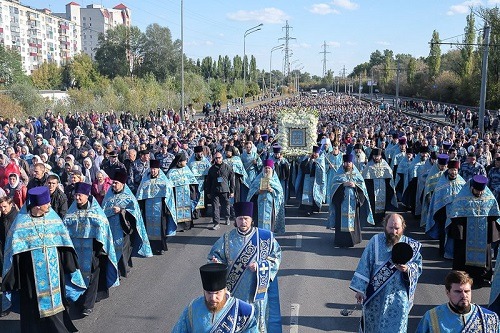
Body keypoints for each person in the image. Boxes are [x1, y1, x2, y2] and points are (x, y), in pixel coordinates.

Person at [1, 186, 86, 333]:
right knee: (33, 308)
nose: (50, 205)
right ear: (38, 206)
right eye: (47, 203)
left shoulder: (53, 219)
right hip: (30, 277)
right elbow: (13, 253)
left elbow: (64, 244)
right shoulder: (20, 224)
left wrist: (70, 266)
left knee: (56, 305)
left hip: (54, 272)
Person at [208, 202, 282, 333]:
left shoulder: (265, 237)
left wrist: (260, 266)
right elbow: (215, 256)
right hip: (234, 290)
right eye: (240, 219)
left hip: (256, 291)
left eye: (246, 219)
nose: (243, 222)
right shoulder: (227, 238)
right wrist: (216, 262)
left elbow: (275, 257)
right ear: (235, 220)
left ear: (252, 220)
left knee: (256, 322)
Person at [350, 213, 423, 332]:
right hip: (375, 297)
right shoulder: (375, 241)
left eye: (397, 228)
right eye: (390, 228)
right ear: (385, 226)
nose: (393, 232)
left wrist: (407, 269)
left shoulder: (411, 245)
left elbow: (418, 267)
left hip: (399, 299)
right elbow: (365, 264)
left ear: (403, 227)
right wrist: (360, 289)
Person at [63, 182, 119, 316]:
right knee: (76, 275)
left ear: (87, 196)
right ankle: (78, 300)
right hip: (75, 251)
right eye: (76, 195)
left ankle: (88, 305)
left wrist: (99, 249)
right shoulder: (71, 212)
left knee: (92, 277)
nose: (77, 198)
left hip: (93, 251)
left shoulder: (96, 212)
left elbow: (103, 228)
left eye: (80, 195)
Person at [171, 263, 258, 333]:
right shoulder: (193, 307)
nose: (213, 298)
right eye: (208, 293)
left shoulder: (243, 311)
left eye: (217, 293)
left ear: (224, 290)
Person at [446, 174, 500, 287]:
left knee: (485, 253)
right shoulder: (462, 198)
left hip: (483, 233)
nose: (480, 193)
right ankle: (461, 275)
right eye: (477, 191)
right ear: (471, 187)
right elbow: (455, 214)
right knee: (462, 253)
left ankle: (483, 276)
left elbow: (495, 214)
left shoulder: (489, 198)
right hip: (466, 233)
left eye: (482, 191)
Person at [102, 170, 153, 277]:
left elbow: (135, 213)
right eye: (113, 183)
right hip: (111, 228)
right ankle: (114, 269)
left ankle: (122, 270)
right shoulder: (108, 195)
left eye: (116, 183)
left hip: (124, 228)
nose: (114, 185)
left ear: (123, 184)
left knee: (122, 249)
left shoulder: (129, 197)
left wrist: (121, 211)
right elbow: (103, 209)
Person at [417, 270, 499, 332]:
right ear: (447, 292)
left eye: (467, 291)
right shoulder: (432, 318)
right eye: (458, 291)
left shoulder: (489, 317)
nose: (463, 295)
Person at [328, 153, 374, 247]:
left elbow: (363, 188)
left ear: (352, 163)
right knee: (341, 221)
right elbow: (333, 187)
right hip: (341, 203)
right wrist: (342, 185)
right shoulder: (339, 174)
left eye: (349, 162)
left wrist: (355, 186)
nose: (348, 164)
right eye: (346, 162)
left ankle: (353, 240)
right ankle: (341, 241)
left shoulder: (357, 174)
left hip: (353, 203)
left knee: (354, 221)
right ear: (343, 163)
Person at [426, 160, 466, 258]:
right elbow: (437, 198)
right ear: (448, 170)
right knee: (444, 233)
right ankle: (443, 251)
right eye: (452, 170)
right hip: (443, 213)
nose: (454, 172)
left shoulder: (462, 182)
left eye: (455, 170)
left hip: (457, 214)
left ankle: (454, 253)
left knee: (456, 234)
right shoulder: (442, 182)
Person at [136, 159, 177, 255]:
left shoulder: (164, 181)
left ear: (158, 169)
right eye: (152, 169)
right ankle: (149, 246)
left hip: (160, 209)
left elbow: (169, 194)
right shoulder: (145, 180)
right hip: (148, 209)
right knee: (148, 227)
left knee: (161, 228)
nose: (153, 171)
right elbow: (140, 194)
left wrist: (166, 208)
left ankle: (160, 247)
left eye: (155, 169)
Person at [247, 159, 285, 234]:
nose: (267, 170)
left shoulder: (275, 180)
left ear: (272, 169)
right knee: (258, 222)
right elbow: (251, 191)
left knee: (271, 222)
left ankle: (270, 237)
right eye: (265, 168)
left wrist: (272, 190)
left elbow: (280, 193)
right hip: (259, 204)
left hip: (271, 206)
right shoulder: (258, 179)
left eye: (268, 168)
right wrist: (258, 192)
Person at [361, 147, 397, 223]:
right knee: (373, 204)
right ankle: (373, 219)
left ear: (381, 156)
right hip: (372, 188)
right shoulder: (369, 165)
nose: (376, 157)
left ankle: (382, 218)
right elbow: (365, 178)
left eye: (377, 156)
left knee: (383, 204)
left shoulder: (384, 164)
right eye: (374, 156)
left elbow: (389, 175)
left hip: (383, 187)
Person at [166, 152, 199, 231]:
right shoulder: (171, 172)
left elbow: (192, 181)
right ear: (179, 162)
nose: (186, 162)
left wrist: (193, 192)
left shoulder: (186, 169)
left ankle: (188, 225)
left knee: (187, 208)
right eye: (184, 161)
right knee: (178, 209)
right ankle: (179, 226)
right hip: (176, 195)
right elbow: (169, 186)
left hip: (187, 193)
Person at [205, 151, 234, 230]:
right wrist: (208, 192)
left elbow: (231, 180)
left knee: (226, 205)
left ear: (222, 158)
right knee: (215, 207)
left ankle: (227, 217)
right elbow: (209, 181)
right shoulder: (211, 169)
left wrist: (232, 191)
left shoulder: (227, 167)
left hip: (225, 190)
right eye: (216, 158)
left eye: (219, 158)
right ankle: (216, 223)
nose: (218, 159)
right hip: (214, 190)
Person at [294, 146, 326, 216]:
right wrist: (308, 160)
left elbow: (322, 171)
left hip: (316, 180)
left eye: (316, 153)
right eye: (313, 152)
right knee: (307, 195)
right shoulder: (307, 158)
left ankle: (315, 208)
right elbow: (302, 167)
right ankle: (307, 209)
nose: (314, 154)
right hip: (307, 179)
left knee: (315, 194)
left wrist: (315, 163)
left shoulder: (320, 160)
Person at [188, 145, 211, 218]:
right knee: (195, 197)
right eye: (198, 153)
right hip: (194, 183)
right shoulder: (191, 162)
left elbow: (209, 170)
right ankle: (195, 213)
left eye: (201, 153)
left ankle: (203, 212)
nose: (199, 154)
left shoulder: (205, 161)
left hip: (203, 181)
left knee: (203, 197)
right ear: (195, 153)